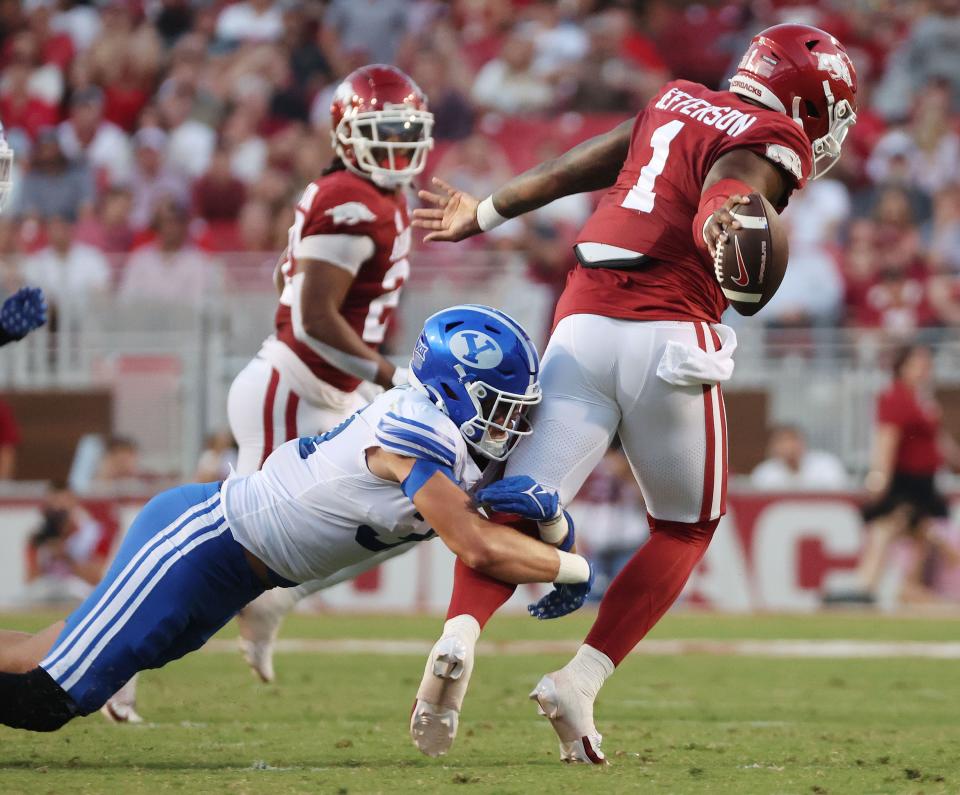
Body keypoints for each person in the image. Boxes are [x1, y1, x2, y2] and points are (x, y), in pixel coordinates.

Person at [409, 24, 858, 762]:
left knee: (518, 503)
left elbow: (570, 167)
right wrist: (728, 216)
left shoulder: (675, 99)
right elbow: (735, 182)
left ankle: (459, 631)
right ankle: (579, 679)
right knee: (685, 527)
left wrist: (483, 212)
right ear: (808, 102)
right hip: (667, 335)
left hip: (581, 323)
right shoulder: (772, 132)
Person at [0, 305, 593, 734]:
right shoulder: (418, 430)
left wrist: (557, 529)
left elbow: (509, 525)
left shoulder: (456, 440)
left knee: (59, 667)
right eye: (497, 406)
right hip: (202, 543)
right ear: (453, 389)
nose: (509, 425)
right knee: (48, 696)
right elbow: (478, 546)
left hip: (234, 574)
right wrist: (571, 565)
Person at [102, 62, 436, 723]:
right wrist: (393, 376)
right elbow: (315, 319)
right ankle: (115, 658)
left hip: (329, 394)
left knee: (422, 505)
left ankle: (277, 596)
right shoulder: (353, 198)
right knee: (226, 561)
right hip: (297, 389)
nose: (398, 144)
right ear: (347, 134)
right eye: (383, 130)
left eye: (407, 130)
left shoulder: (379, 195)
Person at [825, 345, 960, 605]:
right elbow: (886, 441)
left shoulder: (921, 398)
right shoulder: (895, 397)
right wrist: (879, 479)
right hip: (906, 482)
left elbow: (938, 442)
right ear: (902, 367)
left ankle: (874, 587)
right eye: (917, 364)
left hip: (925, 484)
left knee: (901, 532)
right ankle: (875, 587)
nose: (924, 370)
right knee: (896, 529)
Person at [751, 425, 849, 490]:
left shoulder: (827, 465)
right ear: (773, 447)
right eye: (783, 442)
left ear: (803, 442)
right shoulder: (765, 473)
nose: (789, 446)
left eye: (793, 440)